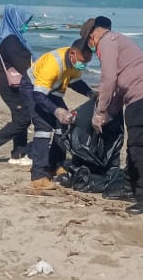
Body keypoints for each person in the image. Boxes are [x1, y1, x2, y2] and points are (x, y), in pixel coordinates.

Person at [82, 16, 143, 214]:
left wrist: (100, 111)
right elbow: (119, 89)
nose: (92, 47)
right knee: (135, 143)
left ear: (93, 35)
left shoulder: (107, 41)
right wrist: (108, 113)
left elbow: (109, 79)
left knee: (140, 146)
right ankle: (130, 186)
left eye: (89, 42)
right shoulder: (119, 41)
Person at [25, 39, 96, 190]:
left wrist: (91, 93)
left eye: (88, 62)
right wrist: (57, 111)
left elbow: (75, 82)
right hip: (33, 89)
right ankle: (38, 176)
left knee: (63, 126)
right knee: (43, 129)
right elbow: (39, 95)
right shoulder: (53, 63)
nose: (84, 65)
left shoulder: (74, 61)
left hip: (52, 91)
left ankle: (55, 165)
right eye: (83, 61)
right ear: (73, 54)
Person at [0, 4, 34, 165]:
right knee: (24, 118)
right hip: (10, 86)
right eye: (23, 21)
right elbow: (24, 64)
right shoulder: (11, 40)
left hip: (14, 85)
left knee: (19, 117)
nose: (26, 25)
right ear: (15, 20)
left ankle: (18, 154)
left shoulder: (12, 37)